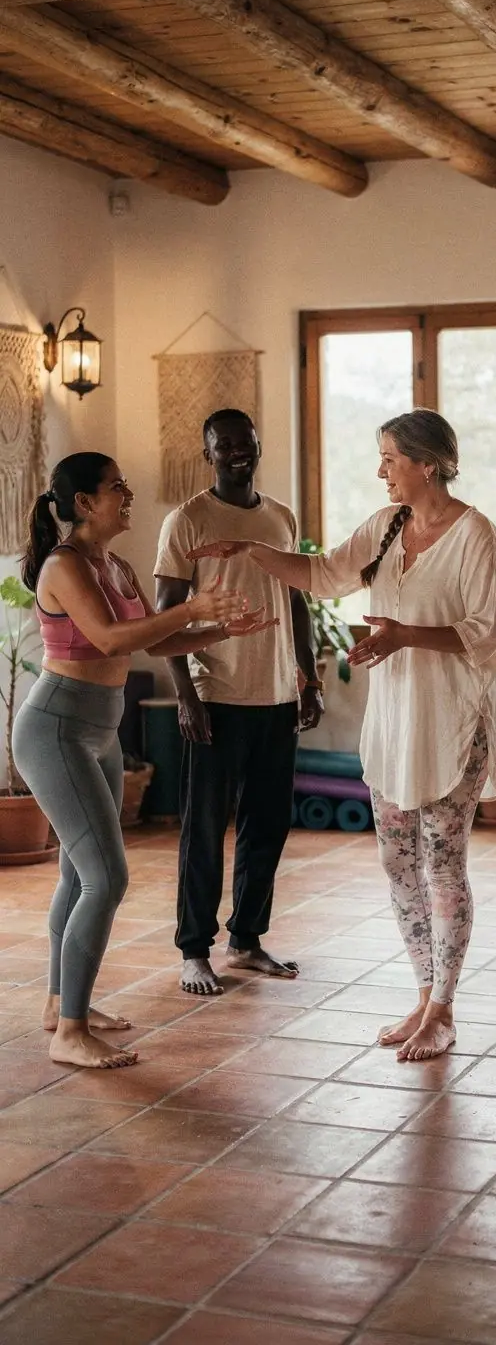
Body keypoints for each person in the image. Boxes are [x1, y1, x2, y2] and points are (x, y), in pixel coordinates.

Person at [188, 407, 496, 1060]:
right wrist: (255, 553)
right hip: (394, 723)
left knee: (443, 865)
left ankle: (444, 1009)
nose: (381, 469)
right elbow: (325, 573)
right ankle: (423, 994)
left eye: (391, 458)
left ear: (428, 463)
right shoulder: (387, 526)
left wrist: (403, 635)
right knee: (396, 861)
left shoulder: (478, 537)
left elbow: (486, 638)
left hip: (454, 724)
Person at [13, 452, 259, 1070]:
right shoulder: (64, 565)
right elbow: (109, 639)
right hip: (57, 727)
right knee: (107, 877)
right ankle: (70, 1032)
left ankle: (59, 1005)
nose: (128, 493)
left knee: (79, 876)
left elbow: (154, 636)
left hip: (99, 726)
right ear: (83, 503)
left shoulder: (114, 565)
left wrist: (221, 631)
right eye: (116, 487)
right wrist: (195, 607)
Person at [154, 408, 323, 998]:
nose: (236, 453)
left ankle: (247, 941)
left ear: (258, 446)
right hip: (215, 697)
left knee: (268, 827)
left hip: (277, 695)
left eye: (245, 443)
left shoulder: (280, 517)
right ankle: (194, 950)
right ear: (208, 454)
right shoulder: (187, 521)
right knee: (204, 830)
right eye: (223, 446)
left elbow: (297, 600)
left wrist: (308, 677)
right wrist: (187, 696)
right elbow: (165, 619)